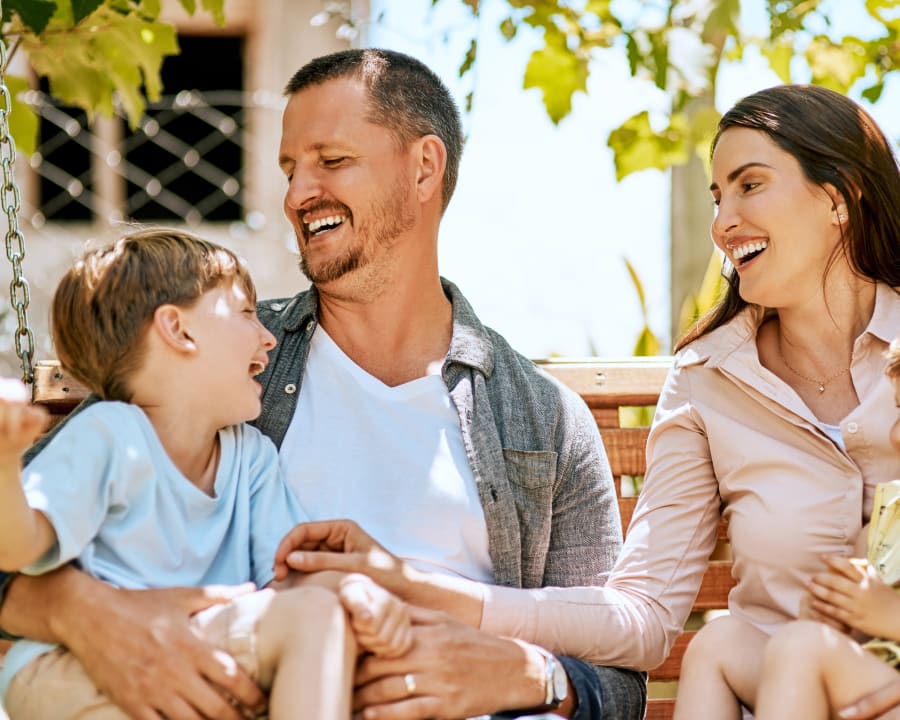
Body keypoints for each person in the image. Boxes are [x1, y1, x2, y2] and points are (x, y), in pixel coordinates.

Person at [0, 50, 647, 720]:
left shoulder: (541, 421)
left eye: (330, 161)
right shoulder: (219, 362)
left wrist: (526, 676)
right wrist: (87, 614)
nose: (296, 194)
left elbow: (619, 676)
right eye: (289, 169)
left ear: (424, 167)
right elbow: (19, 544)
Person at [272, 81, 900, 717]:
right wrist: (420, 588)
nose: (723, 223)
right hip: (789, 693)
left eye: (750, 184)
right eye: (716, 196)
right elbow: (645, 615)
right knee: (726, 647)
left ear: (837, 197)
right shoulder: (709, 381)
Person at [0, 229, 412, 719]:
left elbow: (292, 578)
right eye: (244, 312)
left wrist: (354, 592)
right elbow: (20, 548)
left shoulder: (251, 457)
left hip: (203, 651)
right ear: (178, 330)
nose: (268, 336)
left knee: (318, 615)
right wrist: (6, 464)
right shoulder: (108, 433)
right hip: (70, 670)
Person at [748, 338, 900, 720]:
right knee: (717, 643)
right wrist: (833, 615)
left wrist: (891, 615)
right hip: (871, 687)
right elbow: (855, 637)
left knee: (801, 647)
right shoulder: (887, 522)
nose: (895, 434)